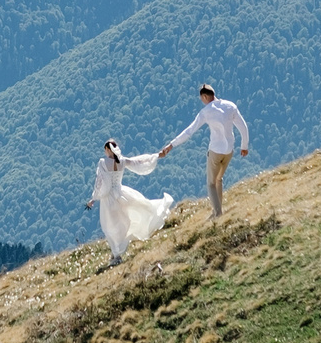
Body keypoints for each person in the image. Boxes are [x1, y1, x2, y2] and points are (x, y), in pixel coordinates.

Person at [160, 83, 249, 219]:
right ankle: (219, 210)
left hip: (215, 151)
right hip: (229, 151)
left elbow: (189, 131)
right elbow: (242, 126)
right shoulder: (230, 106)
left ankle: (217, 213)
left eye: (202, 99)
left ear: (205, 96)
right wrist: (244, 146)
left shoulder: (206, 112)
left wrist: (171, 145)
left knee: (211, 183)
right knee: (219, 179)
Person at [85, 137, 173, 263]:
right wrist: (156, 156)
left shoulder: (103, 163)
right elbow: (139, 162)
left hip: (109, 199)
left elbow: (100, 183)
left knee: (109, 226)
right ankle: (116, 253)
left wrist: (94, 198)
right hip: (122, 194)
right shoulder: (122, 161)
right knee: (123, 222)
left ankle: (116, 254)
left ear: (107, 149)